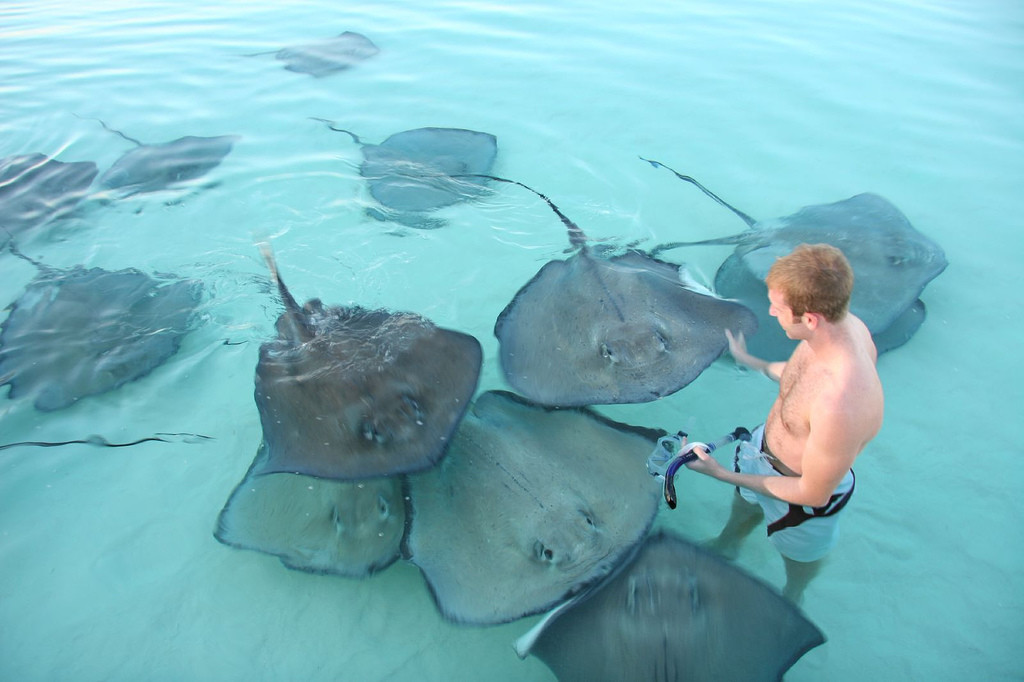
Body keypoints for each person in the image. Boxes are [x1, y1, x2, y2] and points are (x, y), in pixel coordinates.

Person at [685, 243, 884, 603]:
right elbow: (797, 377)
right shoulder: (840, 327)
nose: (771, 311)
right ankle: (729, 544)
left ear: (810, 318)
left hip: (801, 502)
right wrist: (751, 360)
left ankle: (794, 594)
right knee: (744, 504)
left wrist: (719, 474)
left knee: (798, 556)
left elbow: (813, 492)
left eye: (778, 307)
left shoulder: (841, 403)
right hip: (761, 453)